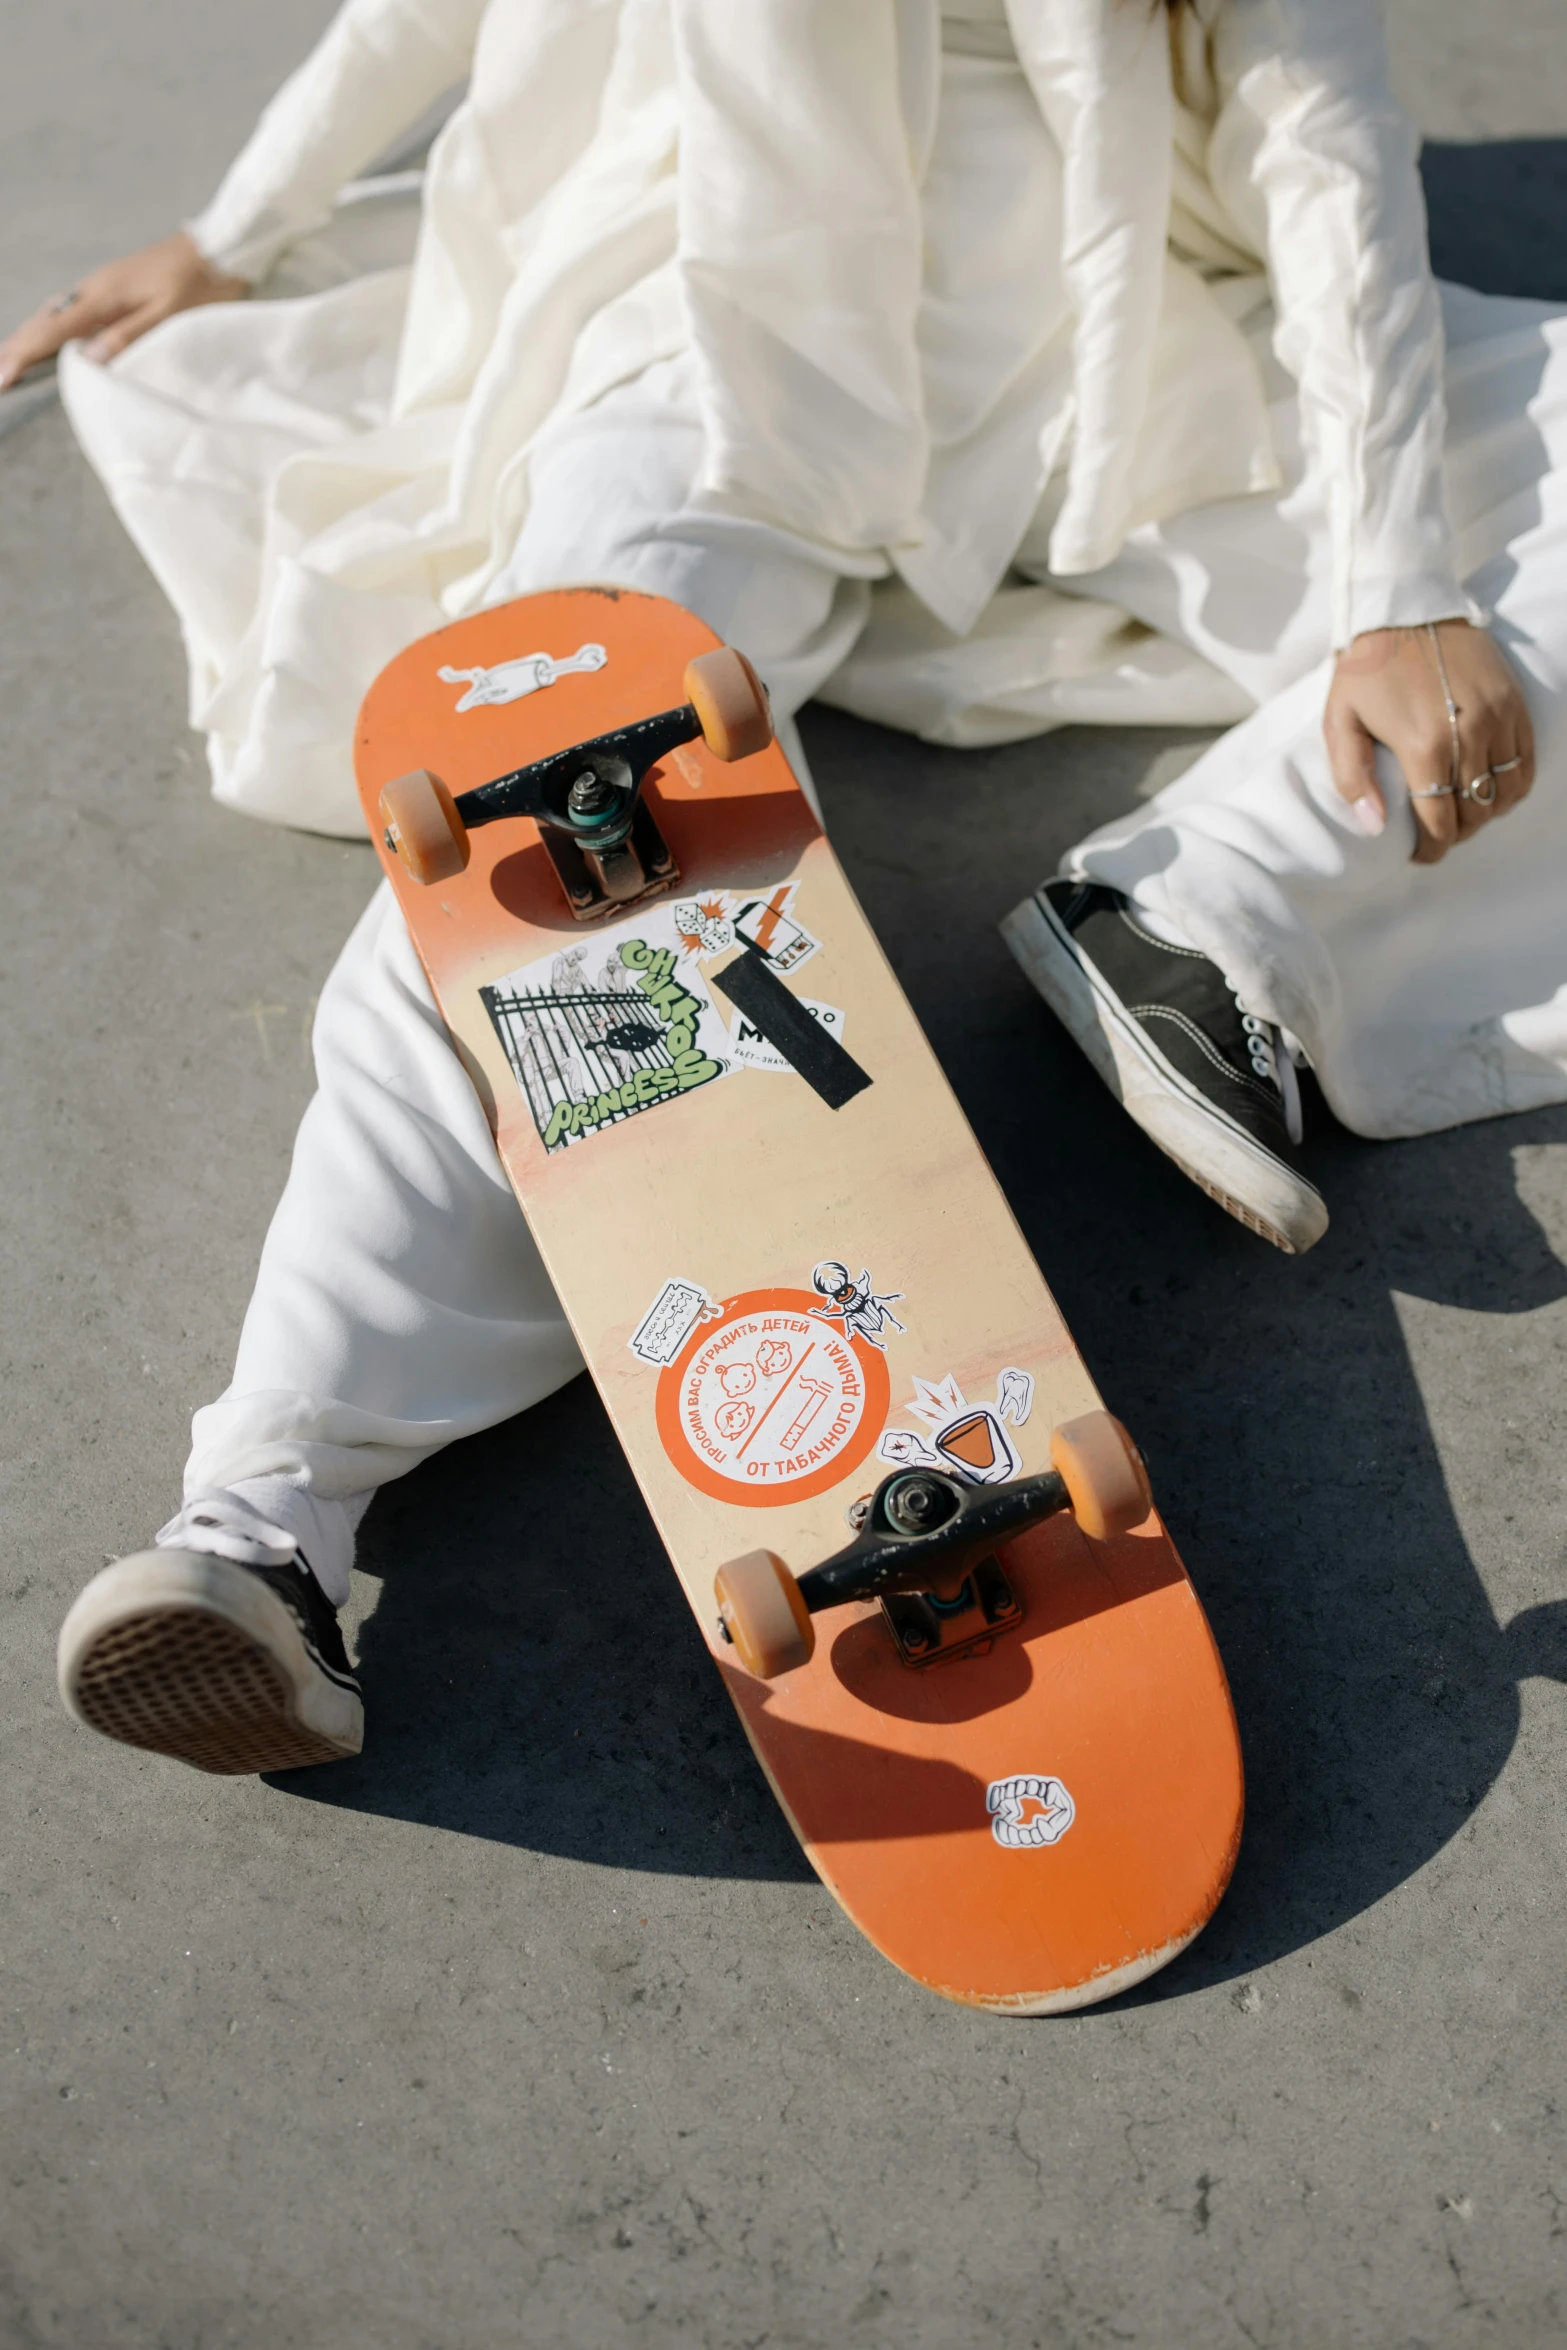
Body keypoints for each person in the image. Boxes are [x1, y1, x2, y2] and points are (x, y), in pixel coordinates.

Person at [9, 0, 1560, 1774]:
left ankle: (1208, 924)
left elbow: (1315, 126)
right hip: (718, 335)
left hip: (1103, 355)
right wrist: (232, 230)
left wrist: (1397, 592)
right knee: (556, 821)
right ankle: (262, 1526)